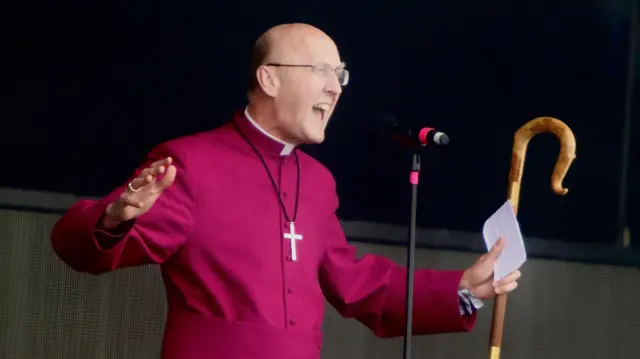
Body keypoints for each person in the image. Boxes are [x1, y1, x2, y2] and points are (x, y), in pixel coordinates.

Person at [50, 23, 521, 359]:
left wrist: (460, 290)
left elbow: (357, 285)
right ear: (269, 77)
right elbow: (83, 248)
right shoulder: (192, 162)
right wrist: (113, 219)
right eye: (321, 71)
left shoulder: (316, 181)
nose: (335, 89)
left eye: (341, 76)